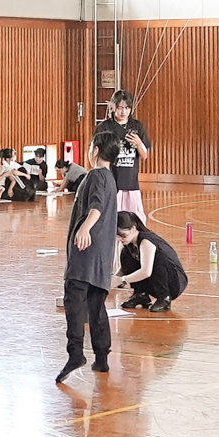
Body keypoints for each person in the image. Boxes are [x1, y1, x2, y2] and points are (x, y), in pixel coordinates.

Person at [58, 126, 121, 383]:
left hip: (87, 253)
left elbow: (95, 206)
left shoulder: (96, 175)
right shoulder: (111, 177)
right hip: (102, 254)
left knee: (74, 298)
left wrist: (85, 227)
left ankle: (75, 352)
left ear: (95, 150)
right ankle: (102, 357)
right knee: (96, 305)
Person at [115, 210, 187, 311]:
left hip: (174, 281)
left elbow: (146, 271)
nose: (120, 238)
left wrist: (122, 280)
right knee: (126, 255)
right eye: (117, 236)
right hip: (154, 280)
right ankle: (140, 294)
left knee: (158, 260)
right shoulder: (125, 244)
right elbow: (123, 267)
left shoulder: (146, 241)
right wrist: (111, 279)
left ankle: (164, 297)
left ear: (133, 229)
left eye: (123, 235)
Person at [108, 91, 151, 219]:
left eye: (127, 108)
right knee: (112, 217)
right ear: (113, 107)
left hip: (131, 182)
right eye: (120, 108)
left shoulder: (137, 126)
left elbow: (144, 155)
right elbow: (94, 152)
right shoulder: (106, 127)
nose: (123, 112)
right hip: (112, 182)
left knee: (136, 218)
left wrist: (138, 143)